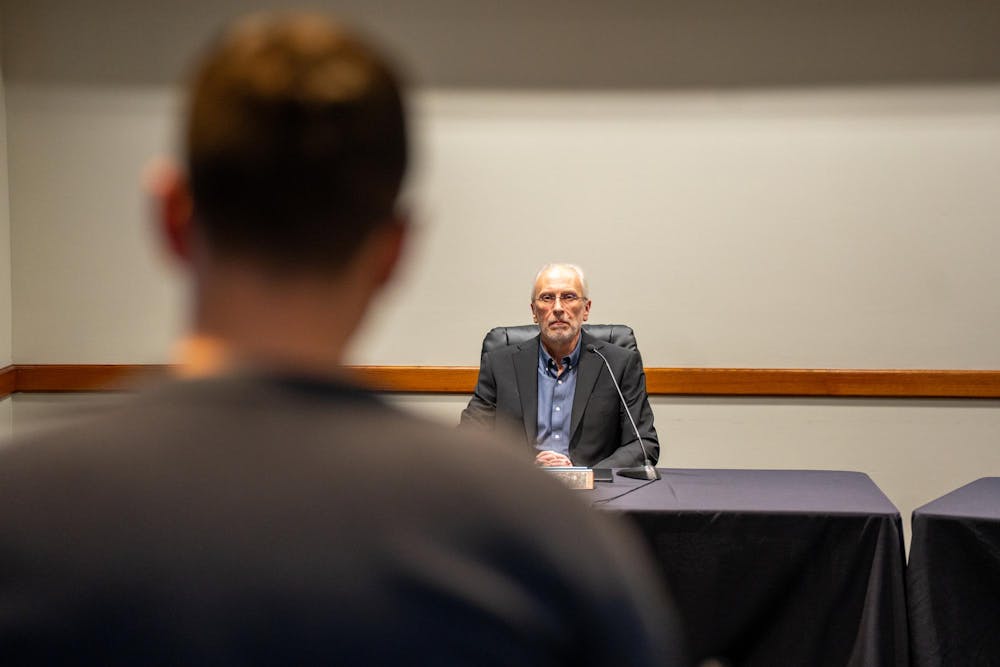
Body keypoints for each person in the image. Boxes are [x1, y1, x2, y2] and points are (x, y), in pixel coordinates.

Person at [0, 13, 686, 666]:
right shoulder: (549, 545)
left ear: (171, 216)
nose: (558, 307)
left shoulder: (20, 514)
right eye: (547, 296)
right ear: (395, 251)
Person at [460, 263, 659, 469]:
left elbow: (643, 444)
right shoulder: (500, 365)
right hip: (519, 488)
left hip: (596, 492)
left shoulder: (618, 363)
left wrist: (584, 474)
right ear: (534, 311)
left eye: (569, 297)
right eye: (547, 298)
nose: (557, 308)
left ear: (586, 309)